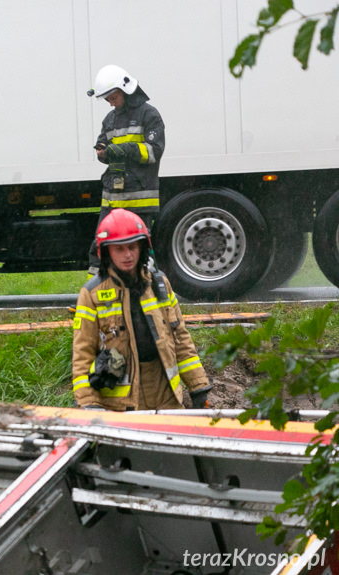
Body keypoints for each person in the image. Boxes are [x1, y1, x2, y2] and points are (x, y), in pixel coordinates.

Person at [71, 209, 211, 411]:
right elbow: (82, 354)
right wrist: (89, 403)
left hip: (167, 398)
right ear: (106, 251)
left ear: (143, 247)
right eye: (119, 249)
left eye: (132, 247)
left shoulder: (159, 285)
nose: (127, 255)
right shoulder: (92, 294)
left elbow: (181, 339)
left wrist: (198, 387)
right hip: (120, 406)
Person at [86, 65, 165, 277]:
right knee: (99, 249)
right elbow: (104, 145)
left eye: (112, 97)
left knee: (139, 254)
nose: (110, 103)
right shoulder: (110, 119)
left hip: (139, 199)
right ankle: (95, 295)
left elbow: (153, 152)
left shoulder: (149, 114)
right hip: (111, 198)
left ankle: (148, 294)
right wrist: (103, 153)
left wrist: (121, 150)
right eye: (107, 100)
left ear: (125, 90)